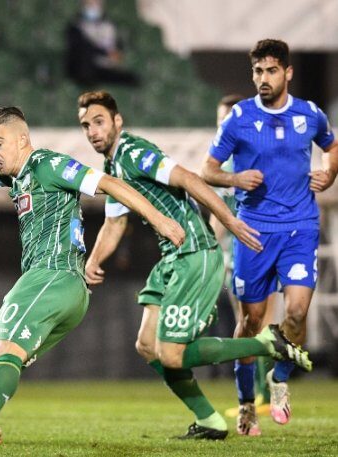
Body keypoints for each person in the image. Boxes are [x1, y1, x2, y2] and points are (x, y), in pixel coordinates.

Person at [0, 106, 187, 456]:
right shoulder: (16, 176)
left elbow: (109, 183)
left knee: (7, 348)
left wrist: (160, 221)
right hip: (46, 283)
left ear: (22, 139)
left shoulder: (47, 164)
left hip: (55, 276)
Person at [78, 89, 311, 440]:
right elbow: (115, 222)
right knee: (147, 345)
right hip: (171, 258)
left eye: (99, 121)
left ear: (117, 121)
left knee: (172, 355)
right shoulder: (113, 166)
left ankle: (266, 344)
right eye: (86, 125)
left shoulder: (134, 152)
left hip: (193, 253)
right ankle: (210, 420)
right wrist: (93, 261)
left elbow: (188, 178)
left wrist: (228, 221)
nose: (93, 131)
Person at [202, 39, 338, 434]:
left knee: (295, 314)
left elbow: (332, 147)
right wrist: (234, 178)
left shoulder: (309, 114)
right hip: (254, 232)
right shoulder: (239, 118)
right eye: (258, 71)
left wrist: (329, 174)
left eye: (271, 70)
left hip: (300, 228)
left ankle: (279, 382)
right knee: (250, 321)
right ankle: (246, 402)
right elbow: (208, 170)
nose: (263, 78)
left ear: (287, 73)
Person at [209, 95, 277, 422]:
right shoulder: (223, 167)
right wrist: (212, 251)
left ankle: (266, 393)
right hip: (235, 256)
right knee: (249, 323)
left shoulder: (254, 161)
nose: (223, 126)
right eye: (220, 120)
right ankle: (263, 393)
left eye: (228, 119)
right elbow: (218, 218)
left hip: (259, 252)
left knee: (257, 323)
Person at [65, 0, 139, 86]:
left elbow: (113, 51)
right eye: (89, 4)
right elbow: (83, 49)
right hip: (85, 71)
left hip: (106, 69)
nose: (93, 7)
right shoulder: (76, 27)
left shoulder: (108, 27)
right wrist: (106, 54)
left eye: (96, 4)